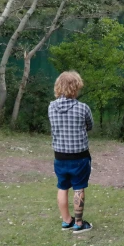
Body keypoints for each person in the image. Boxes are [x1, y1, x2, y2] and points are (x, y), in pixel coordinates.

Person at [48, 71, 94, 233]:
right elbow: (90, 126)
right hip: (79, 157)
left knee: (62, 187)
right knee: (78, 187)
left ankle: (66, 221)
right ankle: (79, 224)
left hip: (59, 157)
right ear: (76, 88)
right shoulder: (83, 108)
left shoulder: (51, 107)